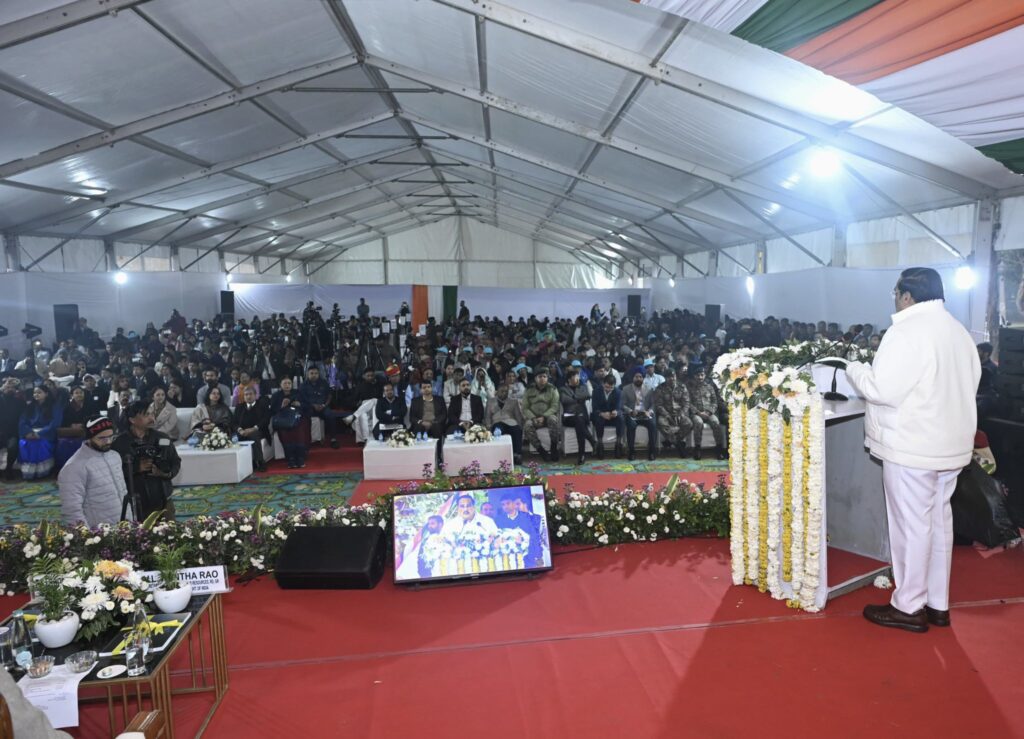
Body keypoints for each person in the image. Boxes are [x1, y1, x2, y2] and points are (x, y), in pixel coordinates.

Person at [845, 267, 981, 633]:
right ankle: (937, 603)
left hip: (912, 446)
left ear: (907, 296)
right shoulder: (958, 331)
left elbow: (882, 389)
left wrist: (854, 369)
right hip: (949, 447)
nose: (894, 300)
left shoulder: (906, 331)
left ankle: (908, 605)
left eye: (895, 293)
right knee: (938, 524)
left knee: (911, 527)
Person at [111, 401, 180, 521]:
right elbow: (112, 473)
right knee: (139, 531)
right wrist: (136, 468)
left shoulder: (162, 438)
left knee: (169, 530)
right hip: (134, 501)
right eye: (146, 414)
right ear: (132, 420)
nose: (152, 418)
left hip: (163, 499)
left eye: (152, 414)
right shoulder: (120, 443)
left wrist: (164, 474)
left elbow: (175, 462)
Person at [59, 417, 128, 526]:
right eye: (102, 438)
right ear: (89, 438)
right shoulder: (73, 467)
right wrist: (87, 534)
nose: (108, 442)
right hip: (98, 532)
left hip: (124, 527)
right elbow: (71, 510)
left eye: (111, 437)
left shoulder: (115, 456)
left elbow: (123, 493)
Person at [18, 384, 62, 479]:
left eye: (39, 392)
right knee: (24, 443)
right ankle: (29, 472)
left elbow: (55, 423)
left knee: (39, 444)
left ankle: (42, 472)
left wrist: (40, 433)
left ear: (46, 393)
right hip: (30, 432)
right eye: (34, 393)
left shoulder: (54, 406)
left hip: (46, 433)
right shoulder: (30, 406)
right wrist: (28, 432)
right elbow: (22, 421)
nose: (36, 394)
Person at [495, 491, 544, 567]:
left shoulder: (526, 517)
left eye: (508, 503)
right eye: (503, 504)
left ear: (514, 504)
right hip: (508, 557)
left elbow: (534, 537)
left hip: (528, 556)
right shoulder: (498, 520)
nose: (505, 506)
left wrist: (537, 556)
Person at [688, 365, 727, 460]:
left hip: (709, 412)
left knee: (715, 422)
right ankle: (697, 448)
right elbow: (688, 403)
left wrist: (709, 412)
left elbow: (714, 402)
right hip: (697, 414)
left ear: (705, 375)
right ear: (694, 376)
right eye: (698, 375)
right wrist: (698, 413)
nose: (700, 377)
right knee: (698, 422)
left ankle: (719, 448)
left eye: (702, 375)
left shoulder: (709, 387)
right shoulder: (690, 388)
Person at [299, 365, 343, 448]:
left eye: (316, 373)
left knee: (330, 416)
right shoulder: (303, 385)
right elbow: (302, 400)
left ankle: (333, 439)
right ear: (308, 374)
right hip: (310, 407)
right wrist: (313, 405)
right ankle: (309, 440)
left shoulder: (324, 383)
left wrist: (324, 405)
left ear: (319, 374)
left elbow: (329, 395)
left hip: (323, 406)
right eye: (311, 373)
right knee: (306, 416)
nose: (314, 375)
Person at [270, 377, 310, 468]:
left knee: (299, 432)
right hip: (283, 420)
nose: (287, 385)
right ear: (280, 385)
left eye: (289, 383)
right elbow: (272, 411)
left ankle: (300, 458)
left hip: (297, 418)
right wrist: (281, 406)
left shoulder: (298, 393)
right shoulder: (276, 395)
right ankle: (290, 459)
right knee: (286, 434)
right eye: (285, 383)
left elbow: (307, 406)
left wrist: (300, 404)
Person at [522, 368, 561, 461]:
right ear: (535, 378)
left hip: (548, 416)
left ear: (547, 378)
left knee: (553, 420)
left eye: (544, 376)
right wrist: (533, 417)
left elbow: (555, 406)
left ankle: (554, 447)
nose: (542, 378)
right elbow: (525, 408)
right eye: (540, 377)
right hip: (534, 417)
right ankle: (541, 451)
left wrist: (544, 416)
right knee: (527, 425)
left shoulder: (553, 389)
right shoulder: (528, 390)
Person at [559, 370, 596, 465]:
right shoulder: (563, 389)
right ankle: (591, 442)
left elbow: (587, 395)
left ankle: (581, 454)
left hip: (582, 416)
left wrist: (573, 398)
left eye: (578, 377)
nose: (578, 378)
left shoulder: (583, 387)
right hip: (569, 417)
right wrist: (578, 399)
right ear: (569, 379)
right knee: (579, 421)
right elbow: (564, 399)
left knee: (579, 421)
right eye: (575, 377)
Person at [486, 383, 525, 465]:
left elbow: (518, 415)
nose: (504, 393)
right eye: (502, 391)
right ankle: (500, 456)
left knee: (516, 430)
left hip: (511, 422)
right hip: (497, 422)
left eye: (506, 391)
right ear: (497, 392)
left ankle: (517, 454)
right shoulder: (490, 401)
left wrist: (520, 426)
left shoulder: (514, 401)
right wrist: (488, 427)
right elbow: (487, 416)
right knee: (497, 430)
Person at [622, 371, 657, 461]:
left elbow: (653, 404)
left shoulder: (649, 388)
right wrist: (630, 411)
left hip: (645, 414)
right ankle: (632, 452)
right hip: (632, 414)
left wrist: (649, 412)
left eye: (640, 377)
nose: (638, 379)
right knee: (631, 425)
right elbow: (622, 404)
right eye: (636, 377)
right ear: (633, 378)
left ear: (643, 378)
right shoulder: (626, 389)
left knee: (653, 424)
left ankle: (652, 451)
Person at [233, 385, 270, 472]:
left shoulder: (262, 405)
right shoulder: (239, 407)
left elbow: (265, 420)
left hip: (258, 430)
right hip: (242, 431)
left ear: (255, 395)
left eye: (250, 394)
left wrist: (253, 429)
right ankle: (238, 463)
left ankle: (260, 461)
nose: (248, 396)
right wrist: (240, 430)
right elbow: (234, 422)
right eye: (246, 394)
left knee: (253, 435)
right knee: (233, 437)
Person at [591, 374, 623, 458]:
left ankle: (618, 444)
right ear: (603, 384)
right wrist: (602, 414)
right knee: (598, 419)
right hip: (601, 415)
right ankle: (600, 445)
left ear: (614, 385)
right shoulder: (596, 391)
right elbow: (594, 408)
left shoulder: (618, 392)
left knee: (620, 418)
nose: (608, 389)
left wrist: (615, 412)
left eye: (611, 388)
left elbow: (619, 407)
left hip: (612, 416)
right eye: (606, 387)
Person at [0, 377, 23, 479]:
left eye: (12, 387)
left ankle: (8, 469)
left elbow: (23, 418)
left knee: (13, 447)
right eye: (7, 386)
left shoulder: (19, 402)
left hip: (12, 433)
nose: (9, 388)